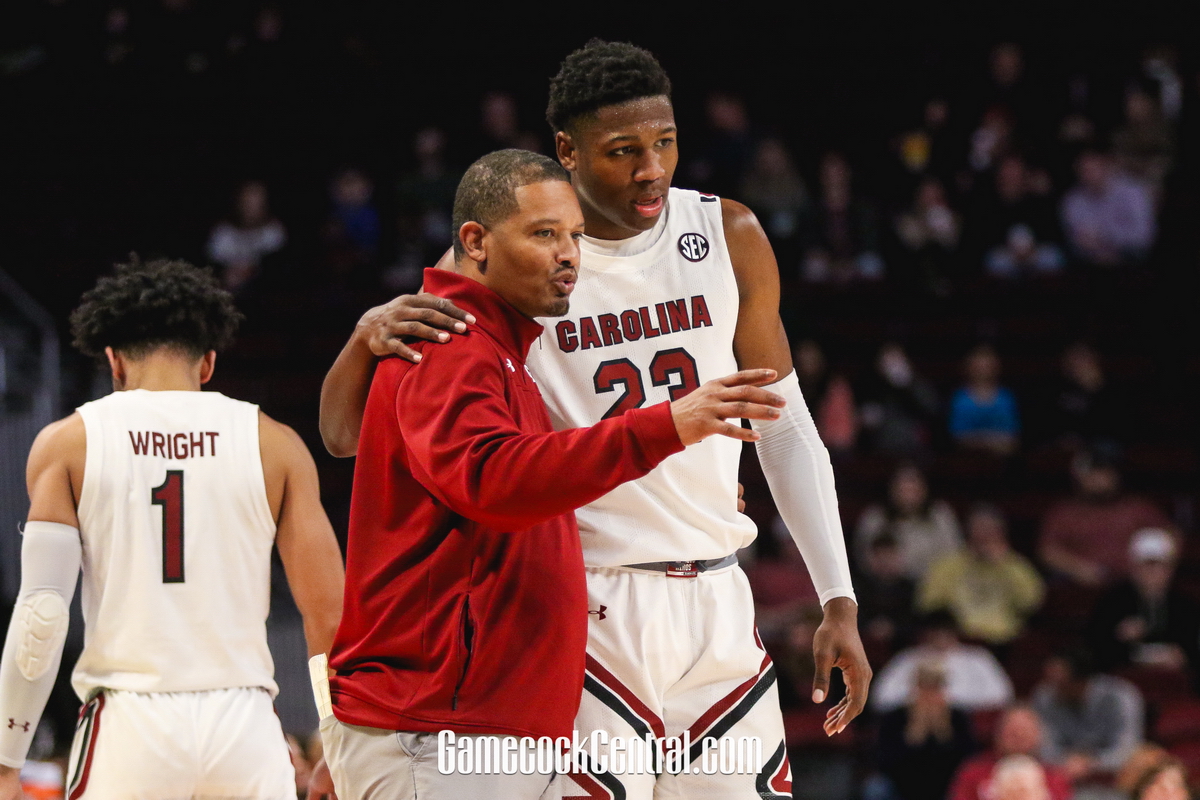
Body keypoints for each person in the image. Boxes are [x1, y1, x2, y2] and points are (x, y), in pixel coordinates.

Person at [317, 40, 871, 799]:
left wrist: (837, 596)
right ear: (567, 152)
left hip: (717, 589)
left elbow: (783, 426)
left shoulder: (727, 234)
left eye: (665, 143)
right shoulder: (517, 268)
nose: (651, 169)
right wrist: (363, 337)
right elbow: (355, 436)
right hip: (590, 603)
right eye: (623, 151)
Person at [0, 258, 345, 798]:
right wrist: (338, 742)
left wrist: (6, 759)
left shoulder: (68, 443)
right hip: (245, 725)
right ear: (207, 363)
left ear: (113, 362)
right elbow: (329, 614)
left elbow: (42, 614)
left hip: (129, 724)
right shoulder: (275, 443)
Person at [1038, 447, 1172, 588]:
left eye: (1104, 472)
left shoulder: (1138, 508)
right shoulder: (1063, 513)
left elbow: (1170, 537)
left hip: (1133, 587)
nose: (1098, 478)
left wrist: (1149, 569)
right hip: (1079, 586)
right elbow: (1048, 551)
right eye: (1092, 472)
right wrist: (1080, 569)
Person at [917, 504, 1044, 647]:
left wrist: (1004, 566)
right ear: (968, 531)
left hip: (1003, 641)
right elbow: (928, 604)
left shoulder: (1016, 565)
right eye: (979, 529)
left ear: (1001, 533)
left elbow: (1030, 603)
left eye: (990, 530)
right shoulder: (947, 565)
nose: (984, 536)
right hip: (958, 640)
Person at [1087, 527, 1198, 677]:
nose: (1153, 573)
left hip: (1176, 678)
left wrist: (1182, 655)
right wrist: (1120, 637)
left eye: (1160, 566)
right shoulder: (1112, 602)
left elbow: (1192, 645)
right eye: (1147, 565)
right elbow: (1095, 646)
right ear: (1133, 567)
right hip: (1124, 677)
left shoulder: (1186, 605)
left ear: (1171, 569)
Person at [1033, 649, 1145, 797]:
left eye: (1060, 682)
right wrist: (1066, 762)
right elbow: (1043, 746)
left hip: (1114, 780)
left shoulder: (1121, 697)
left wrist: (1092, 763)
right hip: (1063, 776)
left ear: (1081, 681)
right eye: (1050, 680)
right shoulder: (1045, 696)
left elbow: (1128, 749)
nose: (1052, 687)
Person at [871, 612, 1013, 714]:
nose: (940, 639)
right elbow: (880, 698)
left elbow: (1002, 695)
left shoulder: (977, 657)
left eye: (945, 633)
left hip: (964, 721)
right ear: (925, 634)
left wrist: (949, 700)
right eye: (935, 633)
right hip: (911, 722)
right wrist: (919, 697)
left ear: (955, 633)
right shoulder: (907, 658)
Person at [947, 705, 1073, 800]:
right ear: (998, 734)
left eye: (1024, 732)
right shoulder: (973, 773)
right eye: (1012, 732)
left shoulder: (1055, 778)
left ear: (1038, 736)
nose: (1018, 737)